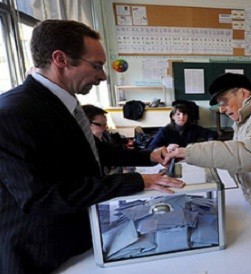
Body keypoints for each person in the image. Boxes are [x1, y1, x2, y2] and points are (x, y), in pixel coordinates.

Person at [0, 20, 185, 274]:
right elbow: (41, 198)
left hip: (81, 240)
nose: (103, 76)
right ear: (60, 59)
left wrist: (149, 155)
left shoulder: (63, 103)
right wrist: (136, 181)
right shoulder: (13, 114)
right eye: (96, 66)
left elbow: (92, 151)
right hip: (40, 254)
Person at [163, 73, 251, 272]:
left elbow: (250, 153)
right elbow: (238, 147)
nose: (221, 109)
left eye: (224, 101)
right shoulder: (250, 114)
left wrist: (189, 152)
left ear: (243, 93)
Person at [82, 104, 134, 174]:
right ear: (86, 125)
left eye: (106, 124)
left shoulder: (104, 138)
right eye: (102, 124)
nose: (106, 128)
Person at [147, 103, 217, 151]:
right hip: (172, 160)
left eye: (184, 114)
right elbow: (151, 148)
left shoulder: (193, 128)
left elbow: (212, 134)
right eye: (178, 114)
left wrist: (207, 144)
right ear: (172, 116)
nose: (182, 117)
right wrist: (166, 148)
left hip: (188, 158)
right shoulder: (165, 131)